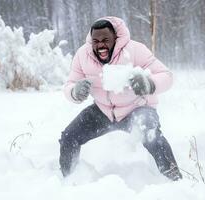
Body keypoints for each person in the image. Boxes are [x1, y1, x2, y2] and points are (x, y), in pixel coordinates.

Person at [59, 16, 182, 181]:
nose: (100, 45)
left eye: (105, 40)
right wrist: (74, 92)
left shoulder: (135, 50)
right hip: (102, 111)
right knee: (69, 136)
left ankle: (175, 180)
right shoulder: (83, 55)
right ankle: (68, 179)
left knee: (152, 135)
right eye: (96, 41)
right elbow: (69, 84)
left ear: (115, 39)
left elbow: (166, 76)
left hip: (137, 108)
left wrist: (149, 84)